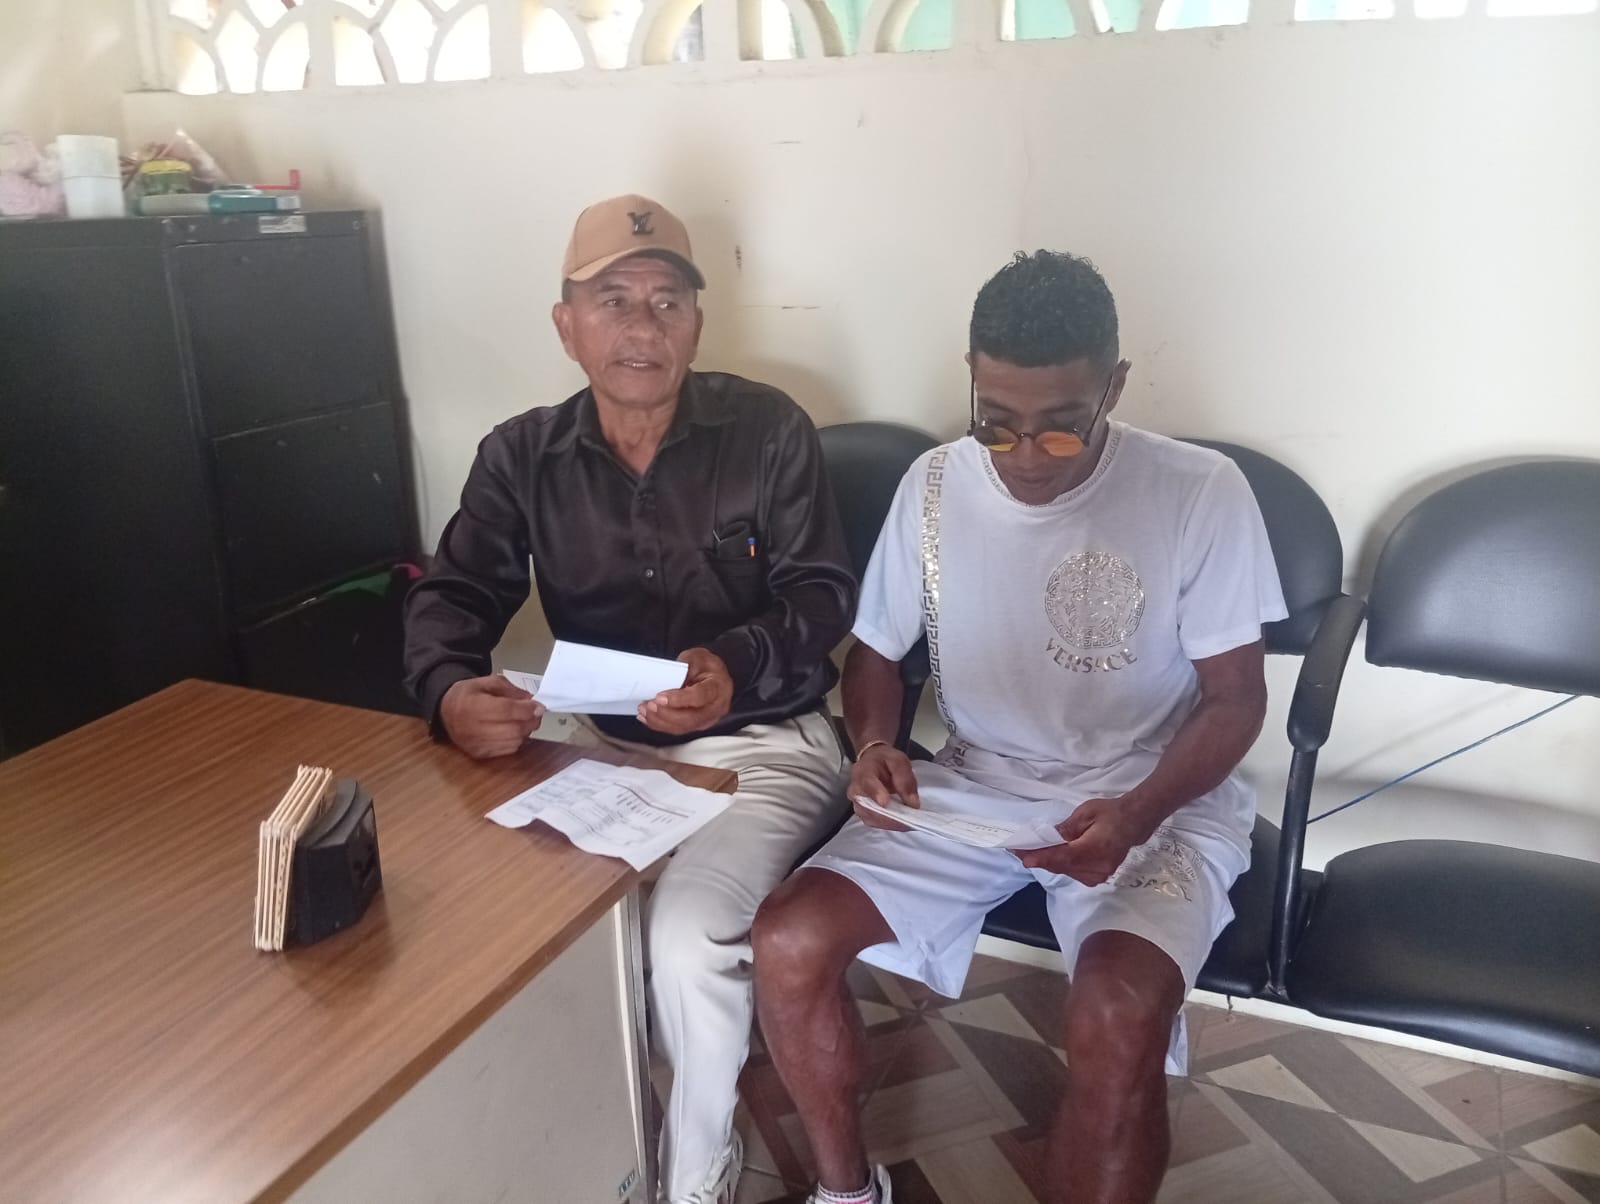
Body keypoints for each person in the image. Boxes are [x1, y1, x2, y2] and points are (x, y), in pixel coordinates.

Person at [751, 251, 1287, 1204]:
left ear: (1114, 386)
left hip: (1150, 793)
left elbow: (1236, 700)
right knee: (789, 941)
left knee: (1118, 1013)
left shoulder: (1198, 491)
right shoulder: (932, 486)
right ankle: (846, 1192)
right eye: (995, 424)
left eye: (1061, 429)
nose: (1027, 457)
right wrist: (874, 745)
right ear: (971, 376)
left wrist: (1136, 810)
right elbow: (874, 654)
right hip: (976, 781)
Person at [403, 194, 857, 1204]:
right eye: (612, 300)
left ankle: (695, 1175)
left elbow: (823, 594)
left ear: (697, 322)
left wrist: (733, 663)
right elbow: (453, 595)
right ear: (566, 324)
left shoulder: (768, 431)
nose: (642, 326)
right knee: (509, 915)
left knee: (686, 938)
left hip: (761, 742)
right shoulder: (521, 455)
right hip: (598, 748)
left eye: (666, 301)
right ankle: (555, 1148)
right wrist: (448, 692)